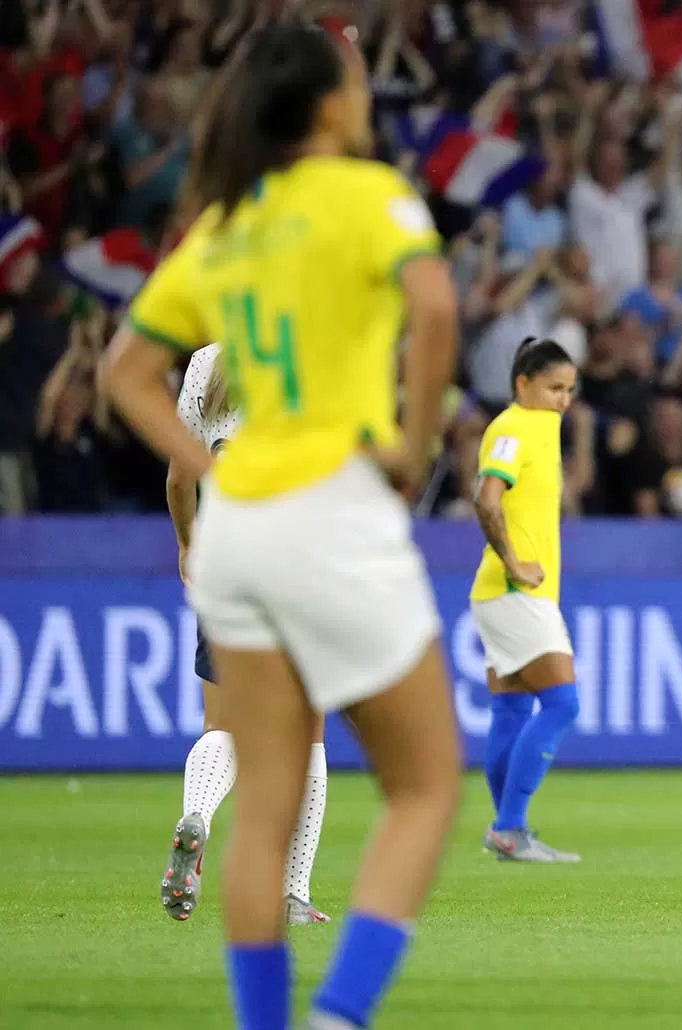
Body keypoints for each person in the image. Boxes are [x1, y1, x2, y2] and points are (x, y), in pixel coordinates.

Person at [104, 23, 462, 1030]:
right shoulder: (369, 193)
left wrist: (208, 469)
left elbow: (121, 373)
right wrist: (414, 448)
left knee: (262, 802)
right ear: (332, 105)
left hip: (238, 529)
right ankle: (339, 1012)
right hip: (335, 506)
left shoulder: (222, 226)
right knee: (425, 786)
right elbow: (434, 311)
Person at [162, 343, 329, 927]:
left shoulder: (207, 363)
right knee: (307, 732)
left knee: (222, 723)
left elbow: (181, 474)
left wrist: (188, 543)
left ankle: (197, 817)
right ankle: (293, 891)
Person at [471, 337, 582, 863]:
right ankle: (509, 826)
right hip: (515, 590)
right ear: (523, 384)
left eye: (570, 390)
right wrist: (515, 562)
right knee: (563, 702)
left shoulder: (540, 425)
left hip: (500, 593)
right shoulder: (516, 426)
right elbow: (486, 498)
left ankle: (509, 831)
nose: (564, 399)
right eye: (554, 387)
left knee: (511, 709)